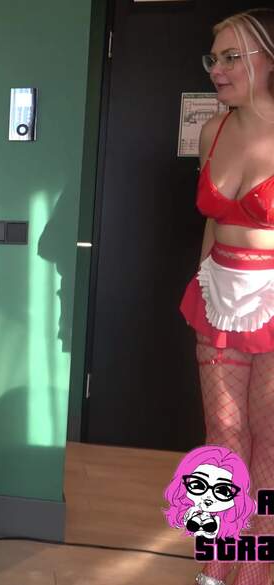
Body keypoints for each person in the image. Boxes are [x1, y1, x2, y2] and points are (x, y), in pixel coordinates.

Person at [179, 8, 274, 585]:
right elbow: (212, 220)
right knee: (222, 436)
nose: (217, 69)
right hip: (216, 297)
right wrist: (201, 278)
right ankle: (216, 567)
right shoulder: (212, 130)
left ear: (269, 59)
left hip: (273, 302)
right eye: (213, 58)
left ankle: (256, 571)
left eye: (232, 57)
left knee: (270, 445)